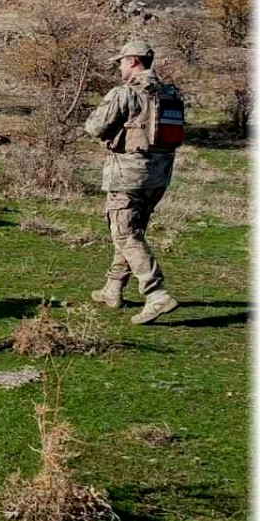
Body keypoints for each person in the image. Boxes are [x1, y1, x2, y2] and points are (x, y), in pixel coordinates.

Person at [84, 39, 184, 325]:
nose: (119, 67)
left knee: (126, 235)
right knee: (131, 233)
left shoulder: (125, 93)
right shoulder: (170, 94)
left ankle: (156, 293)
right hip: (159, 176)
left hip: (128, 175)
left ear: (133, 61)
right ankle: (113, 288)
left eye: (121, 62)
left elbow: (95, 127)